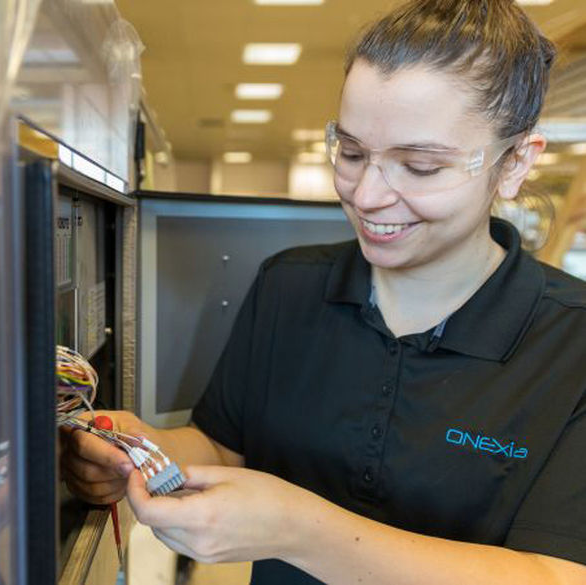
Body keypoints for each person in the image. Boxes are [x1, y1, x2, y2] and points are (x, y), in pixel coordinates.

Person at [62, 1, 586, 583]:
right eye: (353, 153)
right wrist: (142, 452)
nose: (365, 196)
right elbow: (223, 445)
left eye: (419, 166)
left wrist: (298, 529)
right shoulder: (289, 287)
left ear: (515, 163)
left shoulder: (572, 344)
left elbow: (556, 575)